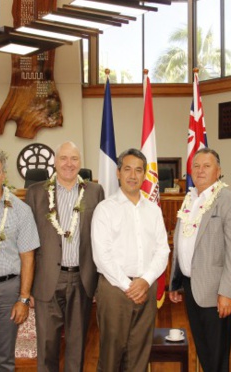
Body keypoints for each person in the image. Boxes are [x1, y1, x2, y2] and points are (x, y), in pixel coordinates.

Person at [26, 141, 104, 372]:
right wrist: (26, 287)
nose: (69, 164)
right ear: (55, 162)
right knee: (47, 345)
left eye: (74, 159)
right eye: (63, 158)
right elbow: (26, 242)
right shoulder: (36, 192)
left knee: (77, 344)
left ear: (80, 163)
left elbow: (101, 236)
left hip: (82, 278)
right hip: (47, 279)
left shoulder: (94, 191)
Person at [91, 148, 170, 372]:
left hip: (146, 287)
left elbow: (162, 250)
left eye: (138, 170)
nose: (133, 175)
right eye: (127, 169)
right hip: (115, 289)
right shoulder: (105, 209)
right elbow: (101, 255)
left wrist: (144, 281)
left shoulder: (153, 210)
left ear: (145, 175)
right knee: (111, 356)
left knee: (139, 355)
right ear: (118, 173)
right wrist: (129, 286)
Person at [169, 148, 231, 372]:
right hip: (190, 285)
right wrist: (176, 281)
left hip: (215, 292)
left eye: (207, 166)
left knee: (216, 354)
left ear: (218, 171)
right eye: (196, 166)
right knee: (203, 349)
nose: (200, 170)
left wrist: (227, 292)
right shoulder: (189, 199)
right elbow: (182, 242)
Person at [0, 149, 40, 372]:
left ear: (4, 175)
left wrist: (23, 298)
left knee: (3, 361)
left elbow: (28, 256)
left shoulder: (21, 210)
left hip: (6, 290)